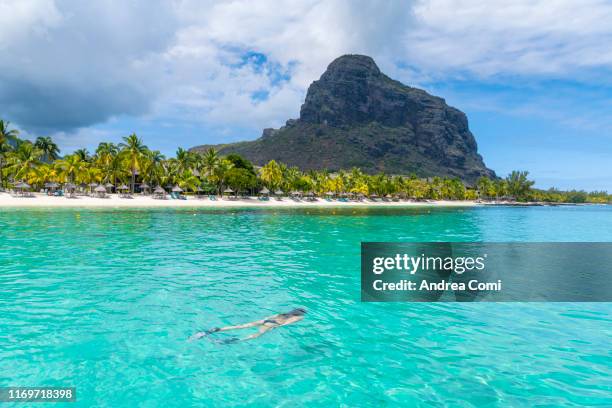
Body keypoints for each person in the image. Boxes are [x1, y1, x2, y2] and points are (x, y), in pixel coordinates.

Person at [189, 308, 306, 343]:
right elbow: (285, 324)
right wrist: (275, 327)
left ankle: (214, 330)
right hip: (273, 323)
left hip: (266, 320)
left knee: (240, 326)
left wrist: (264, 321)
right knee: (255, 335)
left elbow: (268, 317)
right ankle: (233, 341)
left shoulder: (284, 313)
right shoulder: (298, 317)